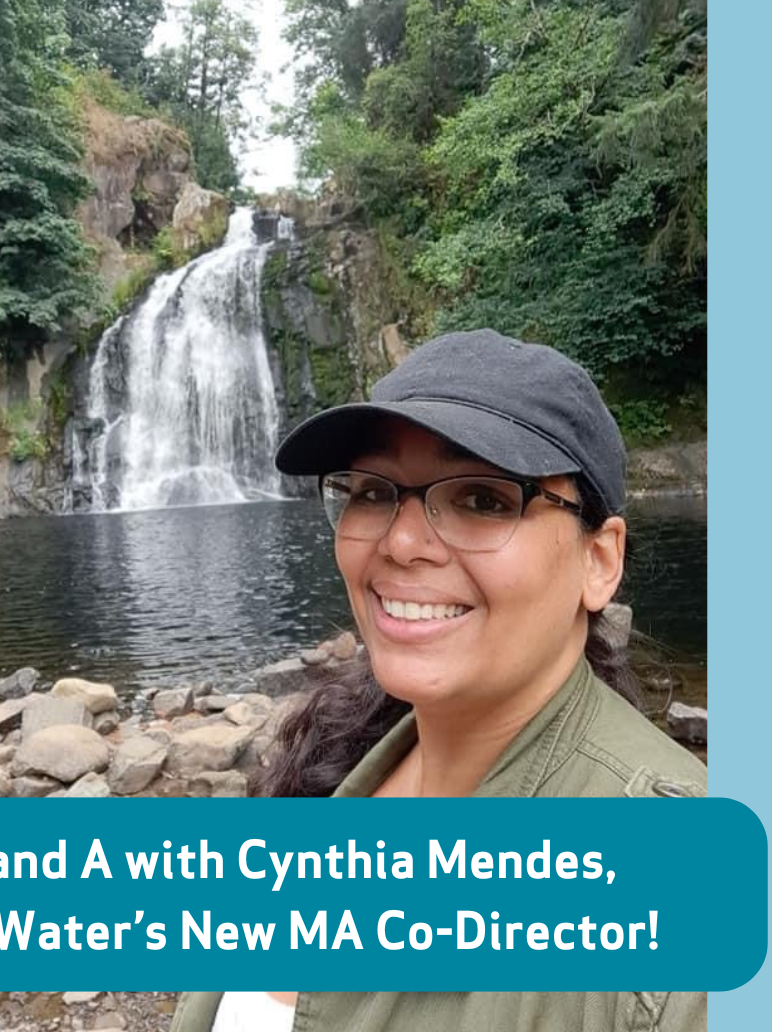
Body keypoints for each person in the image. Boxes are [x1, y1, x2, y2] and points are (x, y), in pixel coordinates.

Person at [170, 329, 708, 1032]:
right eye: (371, 491)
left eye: (483, 499)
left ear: (598, 561)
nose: (398, 542)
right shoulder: (324, 773)